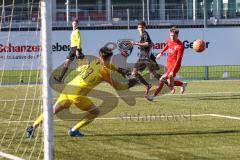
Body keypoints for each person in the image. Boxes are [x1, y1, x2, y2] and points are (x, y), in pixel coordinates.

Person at [27, 47, 137, 138]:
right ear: (109, 58)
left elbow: (107, 65)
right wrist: (131, 83)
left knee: (53, 110)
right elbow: (118, 87)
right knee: (95, 112)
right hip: (77, 94)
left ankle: (32, 127)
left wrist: (119, 70)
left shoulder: (95, 62)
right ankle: (74, 130)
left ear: (100, 56)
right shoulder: (104, 73)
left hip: (69, 88)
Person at [146, 27, 187, 101]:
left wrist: (173, 71)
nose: (172, 37)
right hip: (168, 63)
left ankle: (153, 96)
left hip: (175, 65)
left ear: (177, 36)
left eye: (173, 36)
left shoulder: (180, 46)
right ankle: (182, 84)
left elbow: (178, 60)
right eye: (170, 35)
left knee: (162, 79)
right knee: (169, 83)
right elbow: (167, 45)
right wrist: (161, 53)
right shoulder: (169, 40)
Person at [131, 21, 163, 97]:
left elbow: (147, 43)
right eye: (139, 27)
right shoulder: (142, 34)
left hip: (146, 57)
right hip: (142, 56)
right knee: (134, 73)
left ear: (144, 27)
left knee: (154, 74)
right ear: (137, 28)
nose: (140, 28)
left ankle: (169, 82)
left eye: (142, 27)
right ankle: (148, 85)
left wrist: (136, 43)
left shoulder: (145, 34)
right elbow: (150, 43)